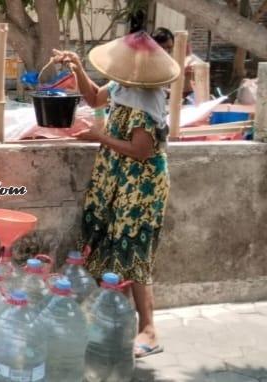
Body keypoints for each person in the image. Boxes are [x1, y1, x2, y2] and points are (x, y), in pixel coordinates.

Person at [52, 31, 180, 359]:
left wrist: (99, 136)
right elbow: (95, 98)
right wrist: (79, 69)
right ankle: (109, 318)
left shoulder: (149, 98)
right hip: (115, 178)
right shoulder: (124, 87)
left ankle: (148, 329)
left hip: (141, 186)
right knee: (104, 242)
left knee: (132, 251)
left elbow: (141, 150)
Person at [151, 27, 199, 102]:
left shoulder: (171, 63)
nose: (166, 51)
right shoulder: (146, 64)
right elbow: (150, 90)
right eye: (162, 47)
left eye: (169, 47)